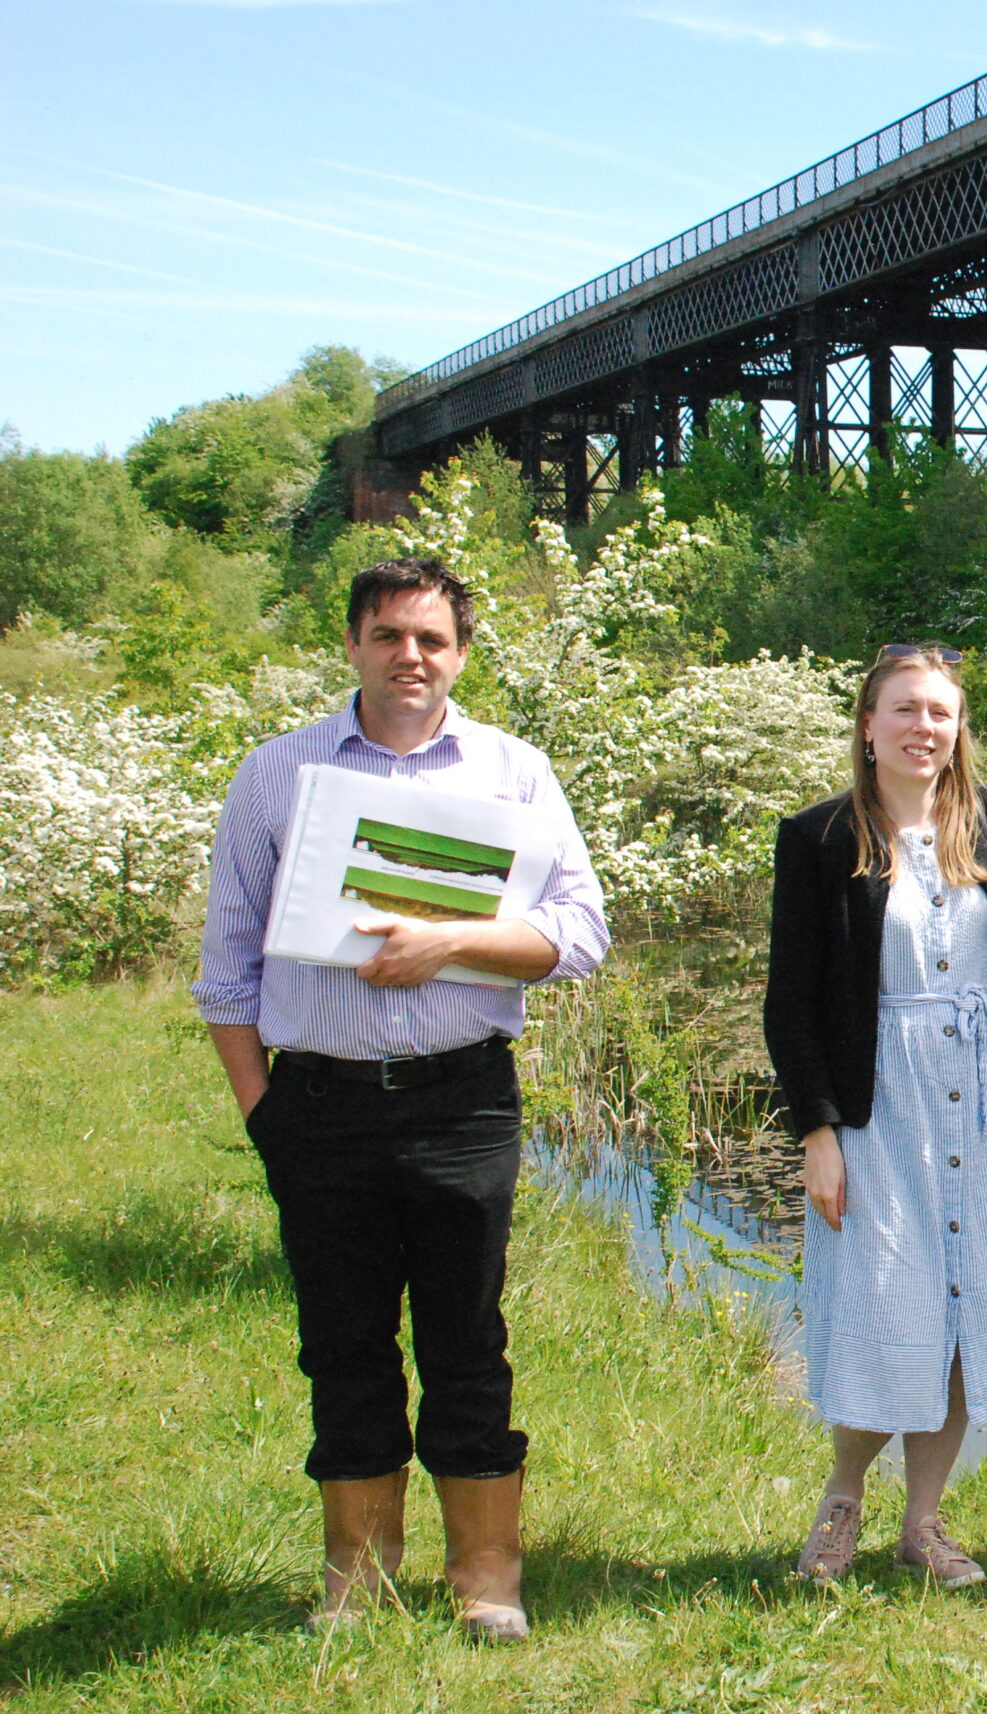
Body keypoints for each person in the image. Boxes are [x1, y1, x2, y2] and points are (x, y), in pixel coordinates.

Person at [193, 557, 611, 1639]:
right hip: (317, 1105)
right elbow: (226, 966)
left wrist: (452, 943)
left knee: (467, 1338)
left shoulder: (514, 773)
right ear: (353, 645)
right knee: (342, 1337)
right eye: (389, 635)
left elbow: (580, 934)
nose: (410, 657)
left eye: (431, 638)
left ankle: (485, 1571)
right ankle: (358, 1567)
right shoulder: (273, 775)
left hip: (460, 1098)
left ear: (461, 652)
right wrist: (261, 1109)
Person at [764, 643, 987, 1590]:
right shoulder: (820, 838)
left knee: (964, 1312)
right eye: (904, 710)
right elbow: (791, 1003)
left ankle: (924, 1522)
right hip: (881, 1106)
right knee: (884, 1305)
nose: (923, 729)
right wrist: (818, 1133)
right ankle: (843, 1499)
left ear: (958, 729)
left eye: (940, 713)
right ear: (868, 725)